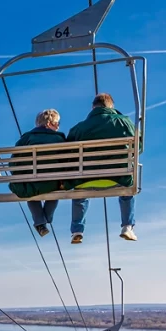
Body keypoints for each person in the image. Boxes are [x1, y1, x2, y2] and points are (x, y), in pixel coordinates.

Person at [65, 93, 139, 244]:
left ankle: (77, 230)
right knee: (128, 190)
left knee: (79, 194)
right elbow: (139, 148)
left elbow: (68, 155)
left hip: (85, 179)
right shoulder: (125, 122)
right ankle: (127, 226)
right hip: (118, 178)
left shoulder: (78, 129)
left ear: (93, 107)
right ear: (111, 106)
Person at [8, 109, 67, 237]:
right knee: (57, 190)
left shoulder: (26, 138)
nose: (58, 126)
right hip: (53, 183)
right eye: (57, 122)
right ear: (49, 123)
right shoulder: (60, 139)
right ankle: (46, 218)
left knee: (30, 192)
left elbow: (13, 162)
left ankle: (40, 221)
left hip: (31, 183)